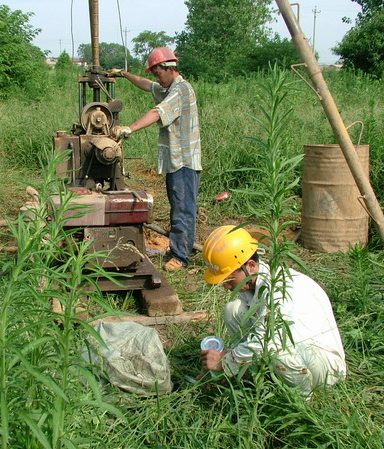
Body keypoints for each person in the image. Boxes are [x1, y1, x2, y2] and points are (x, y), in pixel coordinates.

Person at [200, 225, 347, 396]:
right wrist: (228, 366)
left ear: (251, 265)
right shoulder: (253, 285)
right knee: (232, 309)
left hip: (323, 365)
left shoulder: (278, 289)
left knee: (277, 352)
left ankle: (304, 401)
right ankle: (246, 374)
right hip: (292, 353)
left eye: (229, 278)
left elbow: (267, 342)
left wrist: (224, 363)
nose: (226, 286)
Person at [108, 47, 202, 272]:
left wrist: (128, 129)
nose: (156, 77)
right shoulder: (169, 87)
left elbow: (157, 112)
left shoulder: (180, 90)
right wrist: (122, 73)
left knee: (183, 208)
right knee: (178, 206)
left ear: (169, 68)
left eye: (157, 72)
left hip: (184, 161)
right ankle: (179, 248)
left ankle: (181, 256)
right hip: (176, 160)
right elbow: (145, 84)